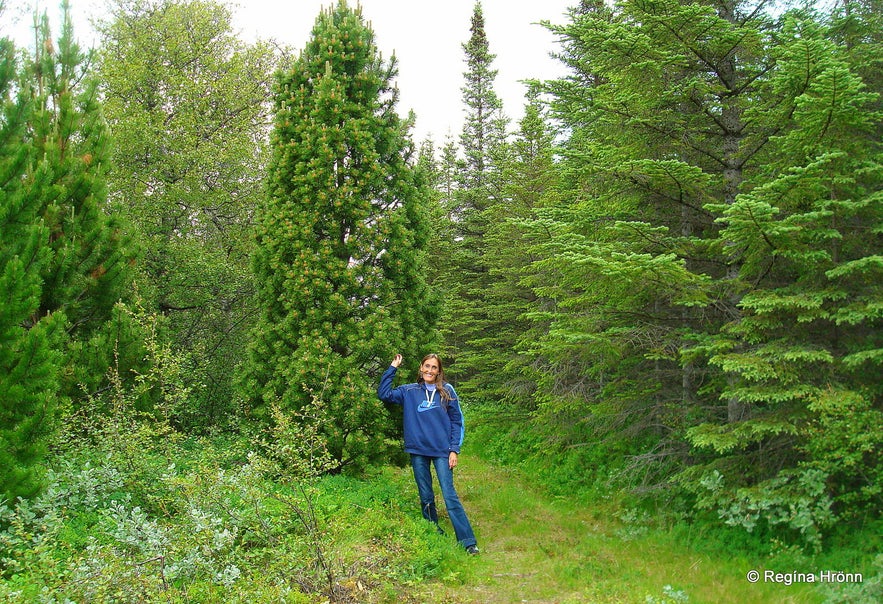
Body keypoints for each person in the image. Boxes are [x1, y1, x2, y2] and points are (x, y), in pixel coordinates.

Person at [377, 353, 479, 555]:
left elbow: (457, 422)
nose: (430, 371)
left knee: (449, 495)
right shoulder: (409, 391)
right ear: (421, 369)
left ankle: (468, 542)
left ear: (439, 371)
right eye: (427, 366)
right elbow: (384, 394)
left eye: (434, 367)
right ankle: (433, 531)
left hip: (442, 451)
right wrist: (392, 368)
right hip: (418, 451)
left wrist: (454, 450)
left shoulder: (447, 391)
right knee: (425, 495)